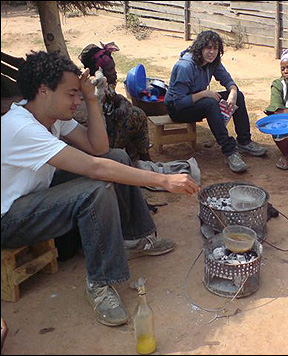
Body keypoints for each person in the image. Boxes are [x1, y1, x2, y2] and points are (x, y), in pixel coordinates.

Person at [1, 51, 200, 327]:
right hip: (9, 219)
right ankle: (100, 283)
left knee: (116, 158)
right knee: (95, 189)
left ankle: (135, 237)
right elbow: (94, 168)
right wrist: (163, 181)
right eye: (71, 94)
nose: (77, 100)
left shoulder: (50, 116)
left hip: (35, 198)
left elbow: (100, 149)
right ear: (44, 91)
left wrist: (92, 98)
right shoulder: (20, 128)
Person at [165, 30, 267, 173]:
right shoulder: (185, 66)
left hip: (198, 101)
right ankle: (230, 151)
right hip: (178, 109)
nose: (212, 52)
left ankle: (244, 141)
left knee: (239, 95)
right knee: (210, 102)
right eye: (208, 48)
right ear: (200, 48)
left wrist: (232, 92)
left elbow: (227, 80)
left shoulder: (213, 62)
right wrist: (204, 94)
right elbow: (179, 102)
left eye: (215, 48)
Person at [79, 42, 152, 161]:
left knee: (135, 113)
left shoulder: (106, 86)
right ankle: (141, 158)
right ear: (99, 72)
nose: (115, 72)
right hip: (102, 139)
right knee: (136, 116)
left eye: (114, 68)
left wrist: (122, 106)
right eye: (110, 70)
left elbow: (119, 98)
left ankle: (138, 156)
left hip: (112, 129)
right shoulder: (93, 91)